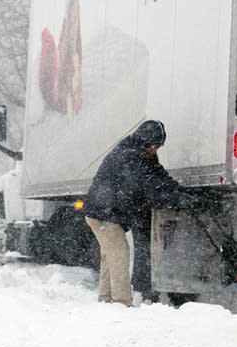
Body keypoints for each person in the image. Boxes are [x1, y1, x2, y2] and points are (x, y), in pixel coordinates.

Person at [83, 120, 199, 306]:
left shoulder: (143, 154)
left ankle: (105, 300)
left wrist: (181, 193)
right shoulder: (129, 156)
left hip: (108, 213)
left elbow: (159, 177)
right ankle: (122, 302)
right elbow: (150, 187)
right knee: (120, 255)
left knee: (109, 256)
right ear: (145, 140)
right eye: (154, 146)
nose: (155, 151)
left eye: (158, 147)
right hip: (103, 213)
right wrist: (178, 200)